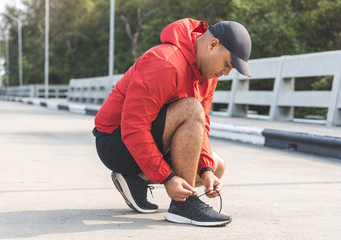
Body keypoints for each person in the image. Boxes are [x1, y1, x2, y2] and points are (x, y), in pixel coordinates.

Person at [93, 18, 251, 227]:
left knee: (216, 166)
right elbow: (133, 128)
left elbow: (200, 126)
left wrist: (206, 171)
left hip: (148, 137)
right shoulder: (165, 62)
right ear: (213, 45)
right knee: (191, 108)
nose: (226, 73)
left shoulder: (208, 75)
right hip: (115, 142)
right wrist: (168, 179)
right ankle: (184, 207)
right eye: (227, 64)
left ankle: (136, 178)